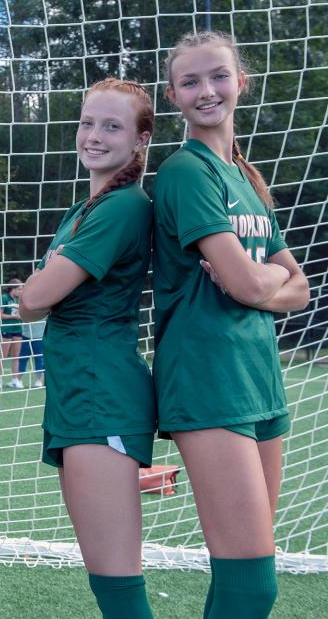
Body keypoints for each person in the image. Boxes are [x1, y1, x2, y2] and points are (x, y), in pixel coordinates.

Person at [153, 31, 309, 618]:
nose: (206, 90)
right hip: (208, 380)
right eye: (190, 81)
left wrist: (259, 278)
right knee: (253, 586)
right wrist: (262, 279)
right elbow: (250, 284)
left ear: (241, 82)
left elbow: (298, 286)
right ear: (173, 96)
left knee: (239, 575)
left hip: (260, 379)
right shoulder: (187, 173)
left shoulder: (244, 177)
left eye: (218, 75)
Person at [18, 78, 156, 618]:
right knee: (106, 578)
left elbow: (36, 296)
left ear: (141, 140)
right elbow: (35, 300)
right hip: (77, 391)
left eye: (112, 126)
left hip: (103, 393)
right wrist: (35, 294)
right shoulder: (83, 208)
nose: (93, 135)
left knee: (117, 579)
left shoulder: (123, 206)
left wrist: (35, 291)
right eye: (87, 122)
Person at [0, 280, 23, 389]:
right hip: (6, 329)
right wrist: (14, 317)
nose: (21, 291)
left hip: (18, 329)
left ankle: (15, 380)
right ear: (13, 288)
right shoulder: (4, 297)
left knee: (16, 355)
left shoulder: (19, 299)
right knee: (3, 355)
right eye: (19, 288)